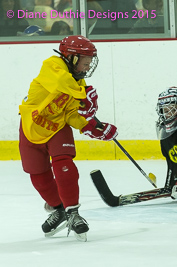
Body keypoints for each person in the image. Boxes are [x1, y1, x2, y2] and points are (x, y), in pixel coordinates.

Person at [18, 35, 118, 242]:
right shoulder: (52, 66)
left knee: (63, 163)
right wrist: (83, 95)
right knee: (38, 175)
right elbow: (60, 83)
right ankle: (59, 209)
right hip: (31, 125)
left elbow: (72, 114)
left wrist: (91, 126)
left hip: (57, 127)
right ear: (71, 57)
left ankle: (72, 212)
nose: (88, 66)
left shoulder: (77, 82)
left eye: (91, 62)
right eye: (86, 61)